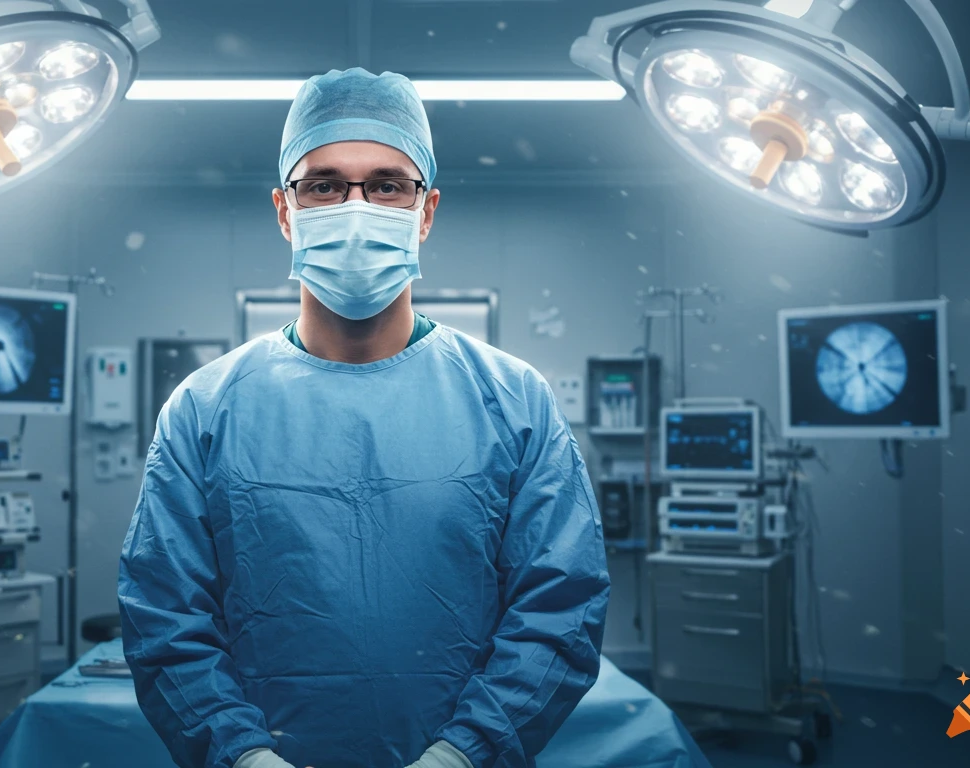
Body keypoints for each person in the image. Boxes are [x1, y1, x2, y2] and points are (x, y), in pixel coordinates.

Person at [118, 68, 610, 768]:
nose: (356, 207)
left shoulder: (514, 401)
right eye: (323, 186)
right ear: (285, 211)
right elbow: (165, 617)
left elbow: (560, 609)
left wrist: (463, 754)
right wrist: (244, 756)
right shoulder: (204, 409)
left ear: (426, 211)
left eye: (386, 185)